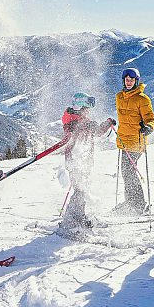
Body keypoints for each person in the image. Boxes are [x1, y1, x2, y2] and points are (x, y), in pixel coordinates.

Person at [59, 92, 115, 230]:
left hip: (84, 160)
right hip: (75, 161)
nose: (89, 111)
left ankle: (79, 216)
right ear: (81, 108)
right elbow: (73, 130)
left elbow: (97, 131)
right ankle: (72, 220)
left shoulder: (82, 120)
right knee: (80, 190)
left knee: (82, 189)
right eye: (87, 108)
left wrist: (107, 123)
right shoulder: (72, 120)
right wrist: (81, 126)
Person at [112, 68, 154, 215]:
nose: (129, 82)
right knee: (126, 172)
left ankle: (138, 204)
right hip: (124, 140)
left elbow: (151, 118)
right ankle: (131, 202)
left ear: (136, 81)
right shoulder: (119, 96)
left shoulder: (142, 99)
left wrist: (149, 127)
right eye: (127, 80)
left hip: (136, 141)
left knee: (128, 171)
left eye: (132, 80)